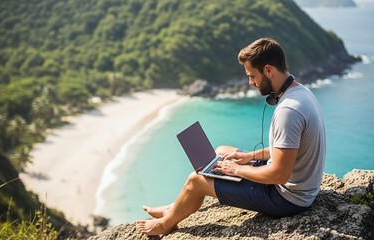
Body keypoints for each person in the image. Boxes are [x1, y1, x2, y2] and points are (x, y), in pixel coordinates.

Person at [136, 37, 326, 236]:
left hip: (288, 198)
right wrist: (249, 158)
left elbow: (279, 174)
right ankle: (176, 207)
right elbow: (290, 148)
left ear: (268, 70)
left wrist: (236, 170)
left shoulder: (288, 111)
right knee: (222, 152)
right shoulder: (301, 93)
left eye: (252, 76)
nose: (250, 82)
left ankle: (166, 224)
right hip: (299, 187)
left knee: (196, 181)